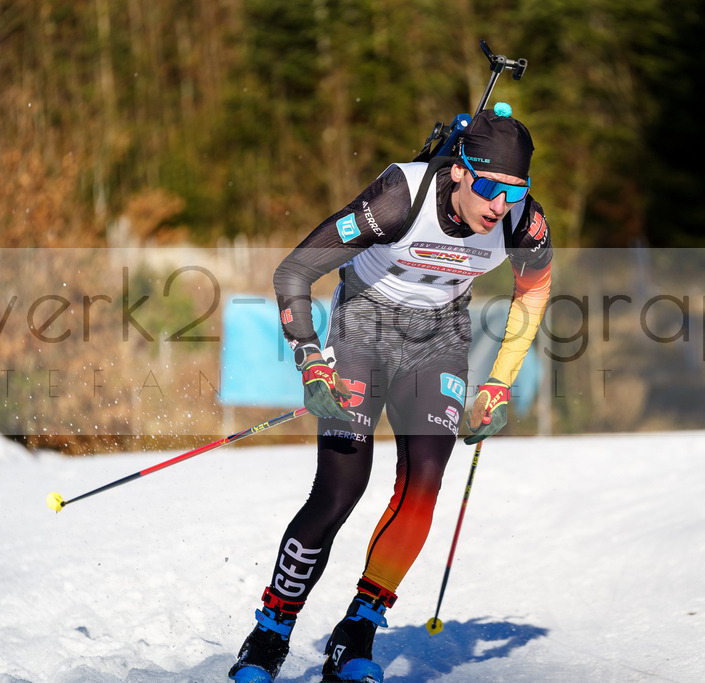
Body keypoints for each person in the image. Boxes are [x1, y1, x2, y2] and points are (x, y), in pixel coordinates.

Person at [228, 106, 552, 683]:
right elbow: (294, 272)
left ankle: (358, 630)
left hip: (439, 338)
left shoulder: (522, 222)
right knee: (340, 490)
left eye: (515, 190)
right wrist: (310, 359)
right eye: (486, 187)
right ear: (458, 172)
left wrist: (499, 382)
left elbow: (534, 290)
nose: (499, 205)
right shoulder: (402, 197)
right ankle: (270, 633)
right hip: (362, 331)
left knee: (423, 483)